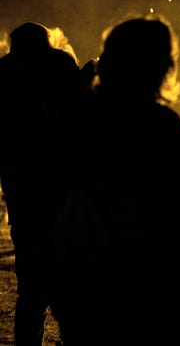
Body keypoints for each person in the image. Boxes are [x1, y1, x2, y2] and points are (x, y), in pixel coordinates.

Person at [49, 15, 180, 345]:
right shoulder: (159, 127)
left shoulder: (78, 114)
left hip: (81, 283)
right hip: (139, 287)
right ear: (160, 66)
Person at [0, 22, 87, 346]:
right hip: (60, 188)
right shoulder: (59, 64)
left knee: (32, 283)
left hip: (21, 188)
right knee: (72, 279)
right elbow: (78, 111)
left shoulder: (4, 71)